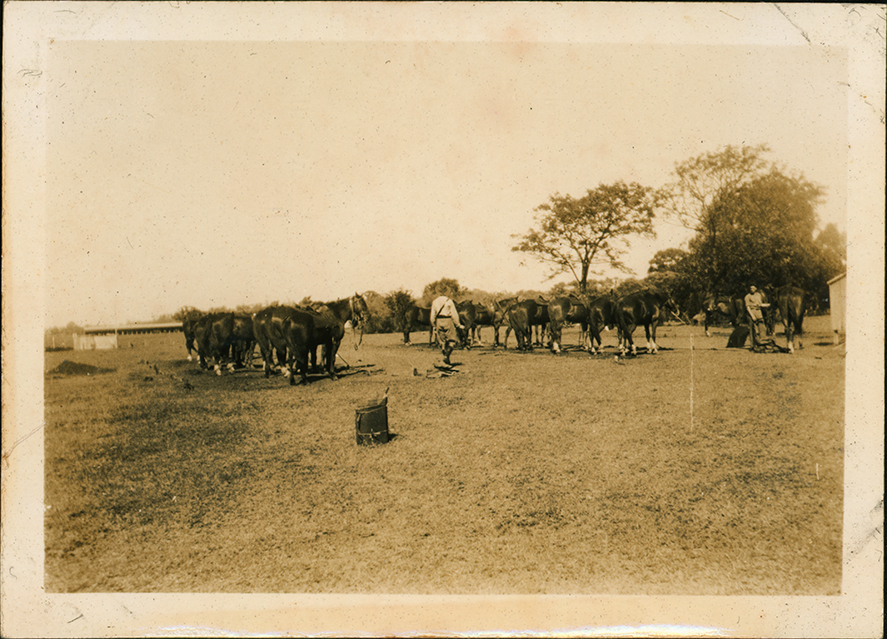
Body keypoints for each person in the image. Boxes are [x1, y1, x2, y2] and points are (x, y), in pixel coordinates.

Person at [430, 295, 465, 365]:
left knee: (442, 341)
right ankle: (446, 356)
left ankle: (446, 357)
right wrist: (458, 324)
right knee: (452, 341)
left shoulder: (435, 301)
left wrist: (434, 325)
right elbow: (454, 314)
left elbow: (432, 315)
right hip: (448, 320)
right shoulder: (449, 301)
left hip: (438, 321)